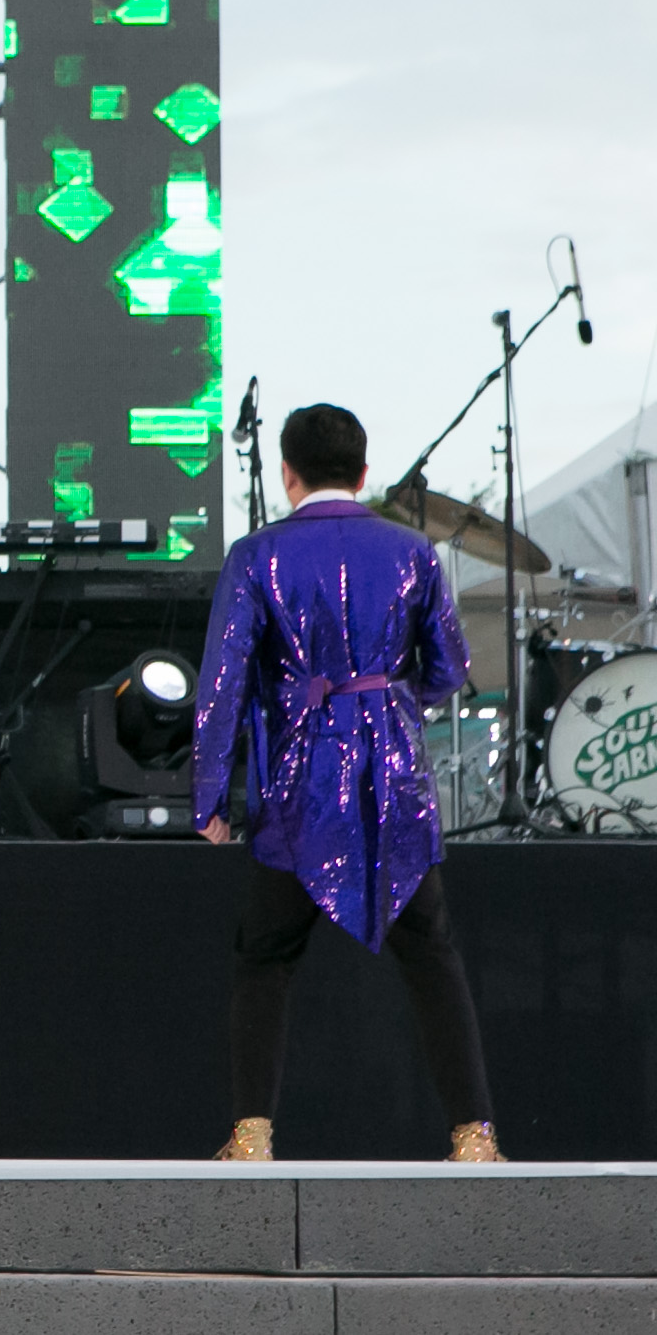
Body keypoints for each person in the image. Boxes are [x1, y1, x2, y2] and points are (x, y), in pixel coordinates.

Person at [195, 403, 501, 1162]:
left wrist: (209, 797)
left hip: (298, 787)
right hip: (393, 783)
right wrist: (386, 699)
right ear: (364, 474)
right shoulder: (414, 551)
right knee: (431, 952)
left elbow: (222, 684)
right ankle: (474, 1135)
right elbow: (449, 670)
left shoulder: (255, 554)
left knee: (265, 956)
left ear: (287, 474)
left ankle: (251, 1136)